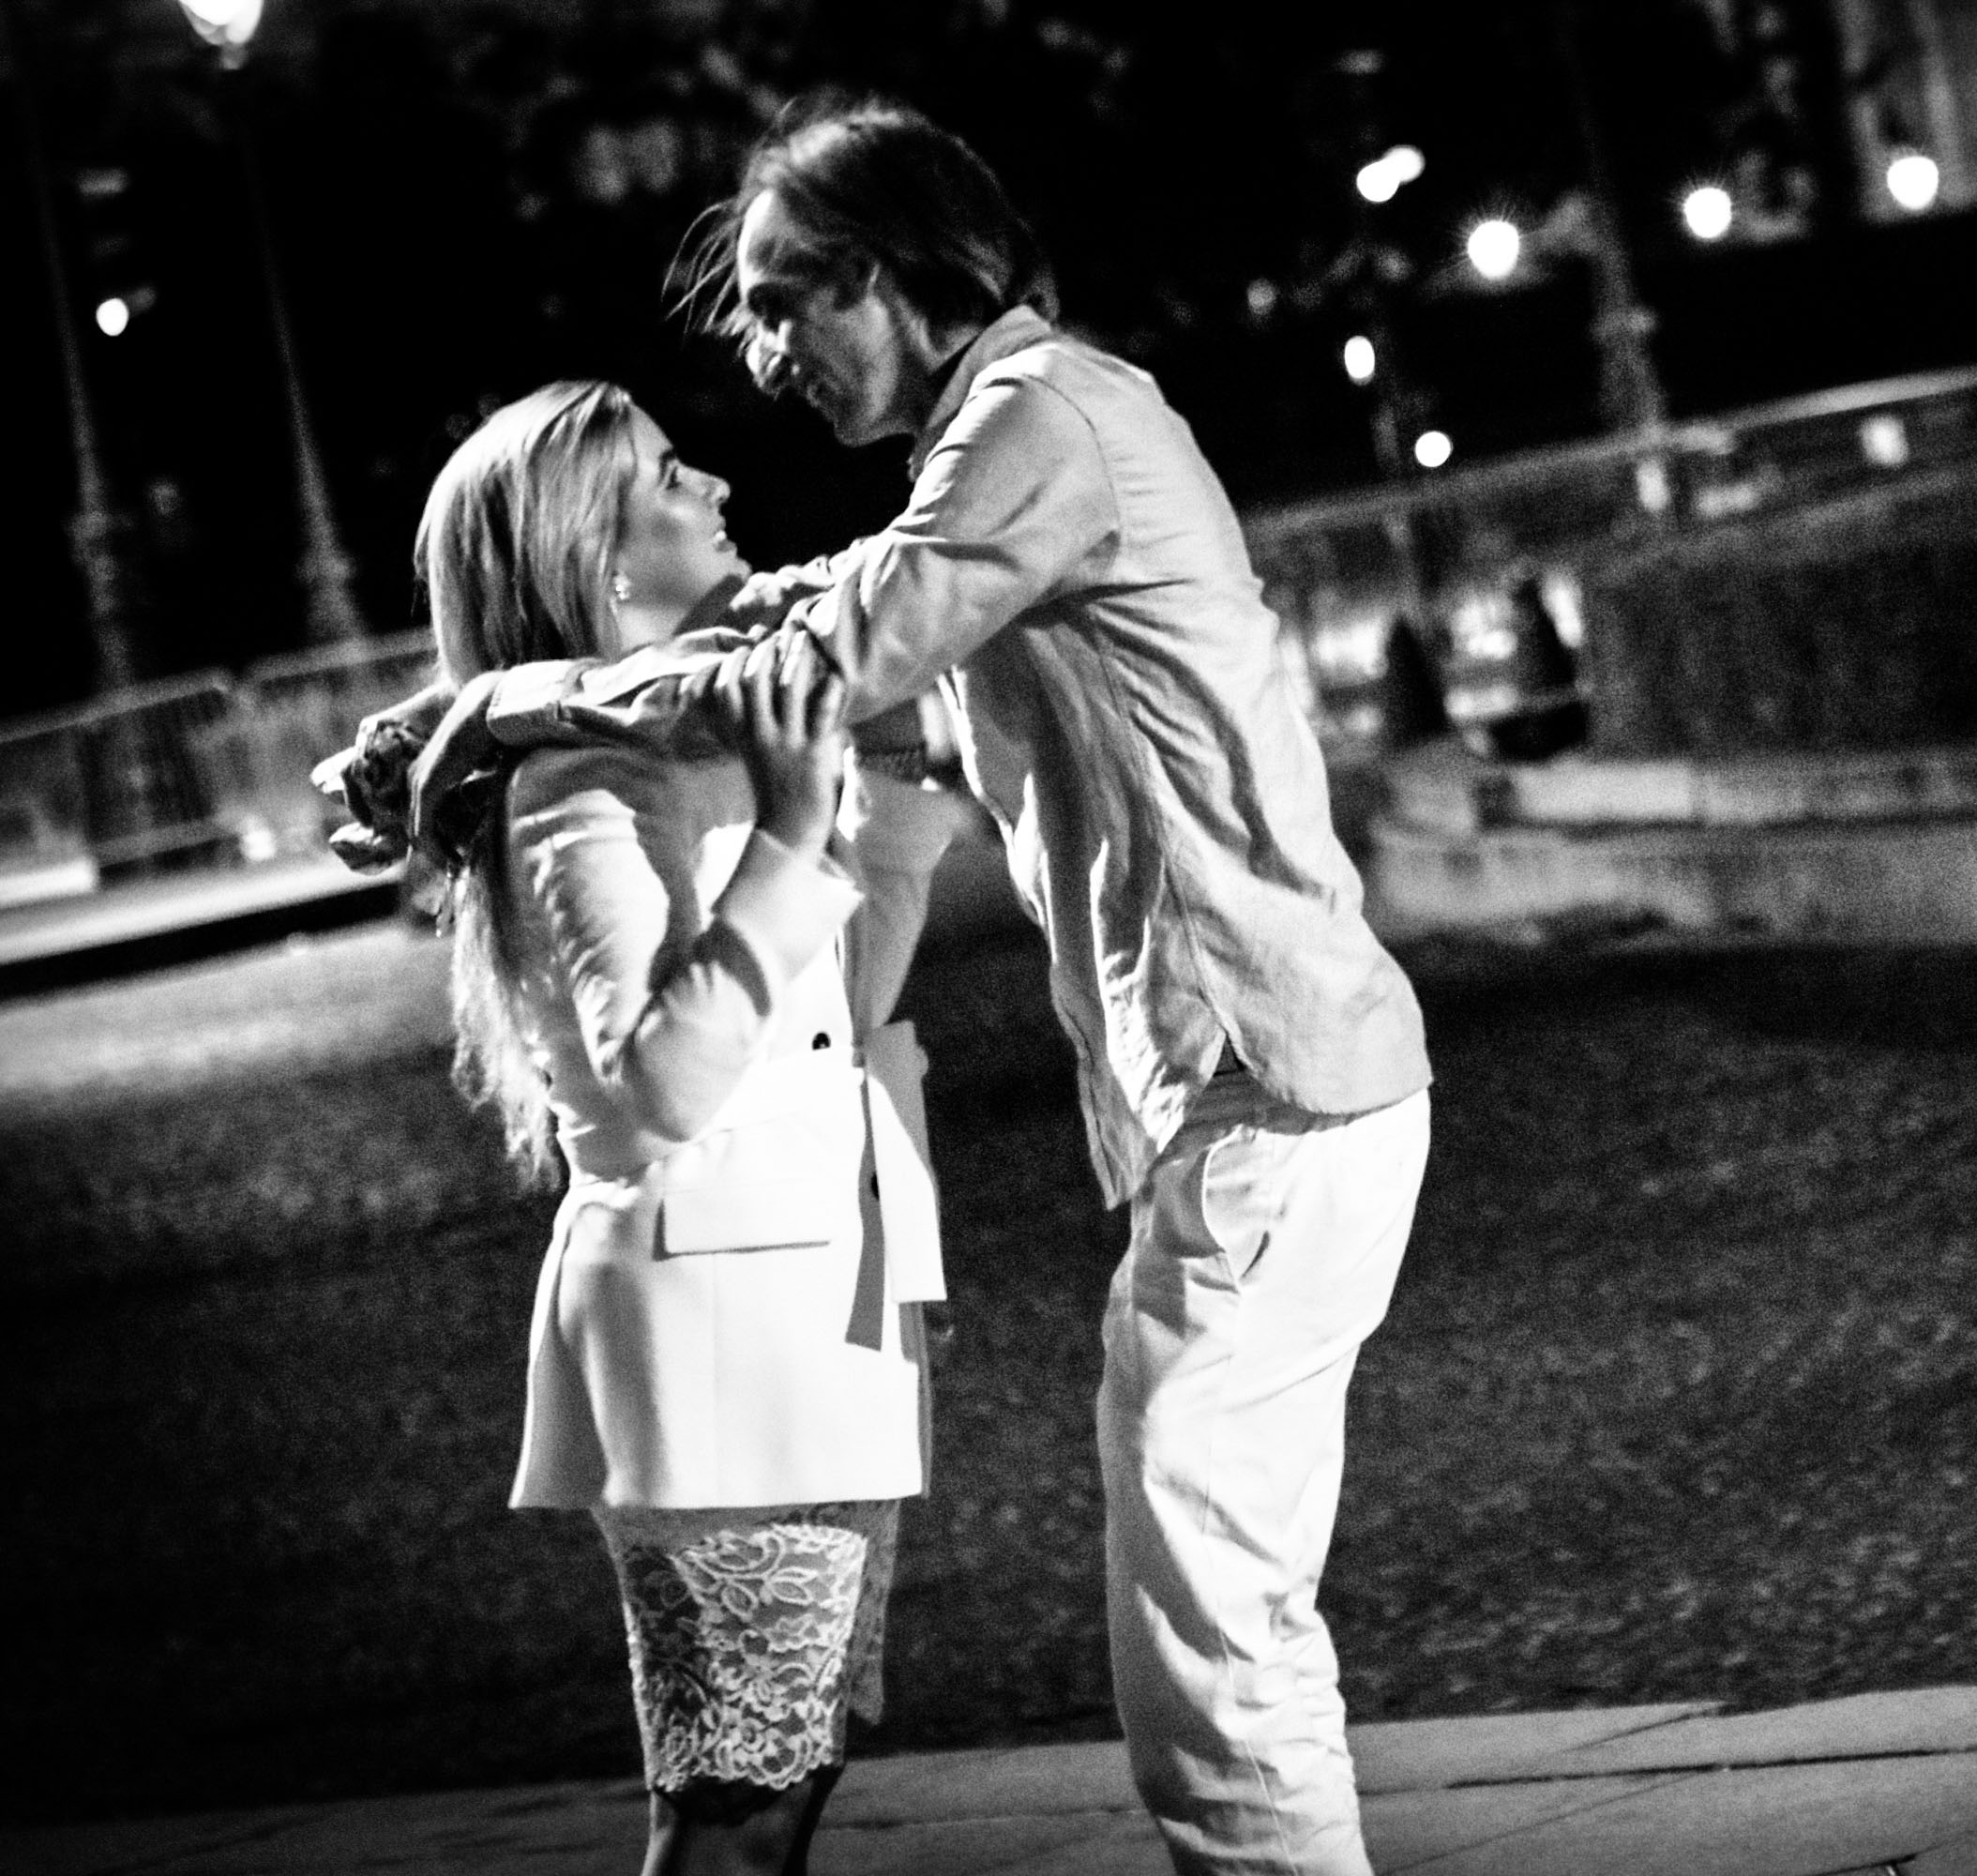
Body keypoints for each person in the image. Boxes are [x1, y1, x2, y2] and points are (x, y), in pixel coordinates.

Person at [389, 98, 1432, 1876]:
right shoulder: (1009, 449)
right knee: (1177, 1641)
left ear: (881, 276)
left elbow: (821, 659)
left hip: (1269, 1084)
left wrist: (501, 704)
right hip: (1235, 1096)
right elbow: (818, 631)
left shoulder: (1040, 424)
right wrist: (518, 716)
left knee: (1211, 1655)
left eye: (781, 304)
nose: (761, 361)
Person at [394, 380, 957, 1876]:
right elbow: (662, 1082)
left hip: (810, 1295)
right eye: (663, 475)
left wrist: (879, 797)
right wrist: (791, 829)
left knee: (782, 1783)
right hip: (714, 1315)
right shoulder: (581, 776)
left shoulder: (692, 741)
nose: (713, 482)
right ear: (592, 553)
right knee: (735, 1810)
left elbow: (836, 1013)